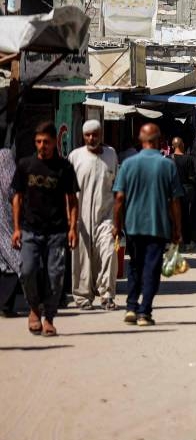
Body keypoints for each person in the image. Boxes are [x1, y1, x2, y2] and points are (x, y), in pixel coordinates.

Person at [11, 122, 79, 336]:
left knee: (55, 275)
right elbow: (17, 198)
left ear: (54, 143)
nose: (42, 146)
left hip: (57, 231)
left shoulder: (64, 167)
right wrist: (16, 228)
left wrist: (72, 228)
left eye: (46, 142)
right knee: (28, 270)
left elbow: (72, 200)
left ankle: (48, 317)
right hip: (30, 229)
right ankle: (33, 309)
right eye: (39, 142)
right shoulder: (25, 165)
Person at [113, 123, 183, 327]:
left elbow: (119, 199)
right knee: (152, 269)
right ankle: (144, 312)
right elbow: (175, 202)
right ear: (159, 140)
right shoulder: (167, 165)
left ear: (141, 139)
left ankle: (131, 307)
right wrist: (177, 229)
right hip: (158, 227)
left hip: (133, 226)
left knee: (134, 266)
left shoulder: (128, 164)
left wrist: (117, 225)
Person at [67, 121, 119, 311]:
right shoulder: (75, 157)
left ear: (101, 134)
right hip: (80, 218)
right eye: (88, 135)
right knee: (81, 259)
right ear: (83, 136)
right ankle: (82, 297)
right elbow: (68, 192)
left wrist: (117, 221)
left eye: (95, 134)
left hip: (106, 217)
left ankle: (107, 295)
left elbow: (117, 189)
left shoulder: (111, 155)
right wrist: (70, 222)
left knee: (109, 254)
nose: (92, 138)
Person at [168, 137, 196, 247]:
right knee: (186, 215)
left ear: (172, 146)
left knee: (172, 215)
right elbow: (192, 177)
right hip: (186, 190)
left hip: (172, 191)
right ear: (182, 145)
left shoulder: (168, 159)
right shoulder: (189, 159)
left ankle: (172, 240)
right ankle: (187, 241)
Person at [0, 149, 19, 317]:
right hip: (4, 217)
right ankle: (5, 305)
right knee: (14, 258)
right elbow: (10, 189)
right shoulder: (4, 156)